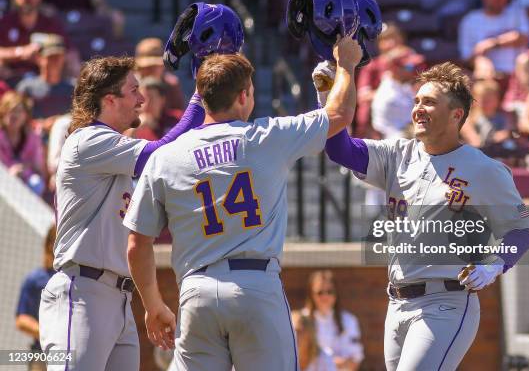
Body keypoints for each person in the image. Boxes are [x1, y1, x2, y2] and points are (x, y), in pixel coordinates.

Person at [122, 36, 362, 370]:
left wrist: (152, 303)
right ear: (244, 95)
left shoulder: (164, 156)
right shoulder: (266, 136)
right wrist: (347, 64)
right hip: (255, 286)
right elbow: (340, 113)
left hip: (196, 289)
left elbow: (137, 243)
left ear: (202, 98)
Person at [319, 61, 529, 370]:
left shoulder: (485, 169)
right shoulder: (398, 154)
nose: (418, 108)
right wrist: (326, 98)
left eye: (429, 102)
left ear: (456, 114)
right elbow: (341, 151)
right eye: (417, 100)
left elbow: (521, 232)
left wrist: (495, 265)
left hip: (446, 301)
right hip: (397, 300)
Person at [38, 55, 206, 371]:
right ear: (110, 99)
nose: (142, 99)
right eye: (133, 91)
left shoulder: (111, 148)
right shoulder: (87, 139)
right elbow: (161, 153)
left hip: (119, 299)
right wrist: (201, 93)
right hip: (83, 292)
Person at [0, 0, 75, 84]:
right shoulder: (5, 22)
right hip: (11, 81)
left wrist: (47, 56)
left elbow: (70, 54)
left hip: (44, 82)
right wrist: (21, 52)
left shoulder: (51, 23)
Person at [356, 23, 424, 138]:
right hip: (381, 123)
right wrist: (387, 92)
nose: (392, 43)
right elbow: (363, 96)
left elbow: (423, 89)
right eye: (386, 39)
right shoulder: (373, 66)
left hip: (411, 119)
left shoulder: (413, 62)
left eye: (395, 38)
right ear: (379, 44)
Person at [458, 0, 529, 79]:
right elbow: (466, 57)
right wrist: (479, 60)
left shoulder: (516, 14)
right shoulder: (470, 20)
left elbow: (523, 38)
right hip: (487, 77)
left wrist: (492, 43)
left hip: (514, 75)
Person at [302, 270, 364, 371]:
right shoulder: (301, 322)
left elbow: (355, 360)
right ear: (311, 294)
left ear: (336, 293)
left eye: (329, 291)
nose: (325, 296)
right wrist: (333, 362)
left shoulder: (349, 321)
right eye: (320, 292)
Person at [15, 225, 57, 371]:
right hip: (41, 355)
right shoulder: (34, 280)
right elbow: (21, 320)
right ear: (49, 244)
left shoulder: (73, 279)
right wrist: (50, 333)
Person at [16, 33, 73, 131]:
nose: (54, 61)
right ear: (39, 58)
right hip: (34, 139)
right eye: (50, 57)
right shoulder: (27, 88)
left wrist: (60, 124)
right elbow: (16, 117)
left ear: (63, 58)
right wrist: (42, 125)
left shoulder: (73, 89)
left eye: (58, 57)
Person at [0, 90, 45, 195]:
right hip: (3, 182)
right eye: (11, 110)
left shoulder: (33, 137)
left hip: (25, 180)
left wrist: (23, 170)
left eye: (19, 111)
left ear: (25, 115)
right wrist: (10, 173)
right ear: (3, 112)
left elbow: (38, 168)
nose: (14, 115)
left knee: (36, 183)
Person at [134, 37, 185, 111]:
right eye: (147, 67)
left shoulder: (172, 85)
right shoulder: (130, 85)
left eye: (155, 66)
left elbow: (179, 114)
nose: (151, 70)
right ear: (139, 68)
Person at [461, 79, 514, 148]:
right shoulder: (470, 119)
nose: (486, 103)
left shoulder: (504, 117)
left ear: (497, 100)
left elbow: (507, 132)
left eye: (489, 100)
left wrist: (505, 134)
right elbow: (474, 140)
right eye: (483, 100)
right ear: (474, 100)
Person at [131, 77, 182, 141]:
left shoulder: (178, 118)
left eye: (151, 98)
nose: (147, 104)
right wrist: (135, 128)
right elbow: (123, 148)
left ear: (162, 100)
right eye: (143, 99)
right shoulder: (134, 124)